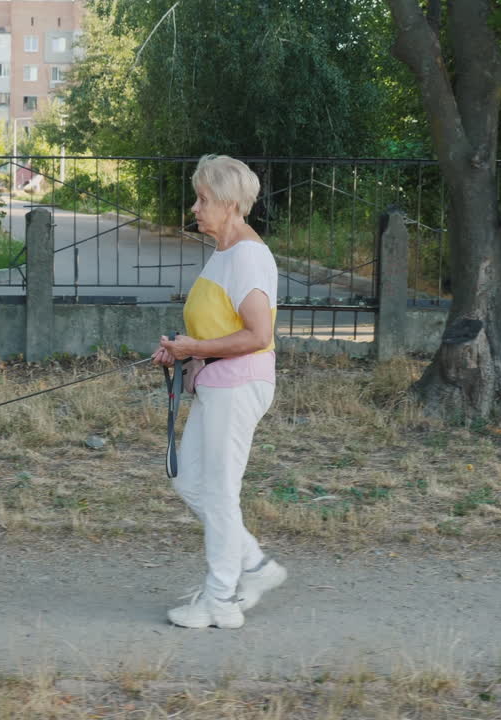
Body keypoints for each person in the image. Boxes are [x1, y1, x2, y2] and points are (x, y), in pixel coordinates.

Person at [151, 154, 286, 629]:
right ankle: (253, 566)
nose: (195, 207)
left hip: (240, 383)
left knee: (221, 491)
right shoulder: (226, 251)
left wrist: (198, 348)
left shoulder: (249, 255)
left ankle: (221, 600)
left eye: (203, 199)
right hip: (217, 380)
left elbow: (256, 334)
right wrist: (186, 351)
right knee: (190, 480)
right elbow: (220, 325)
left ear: (230, 204)